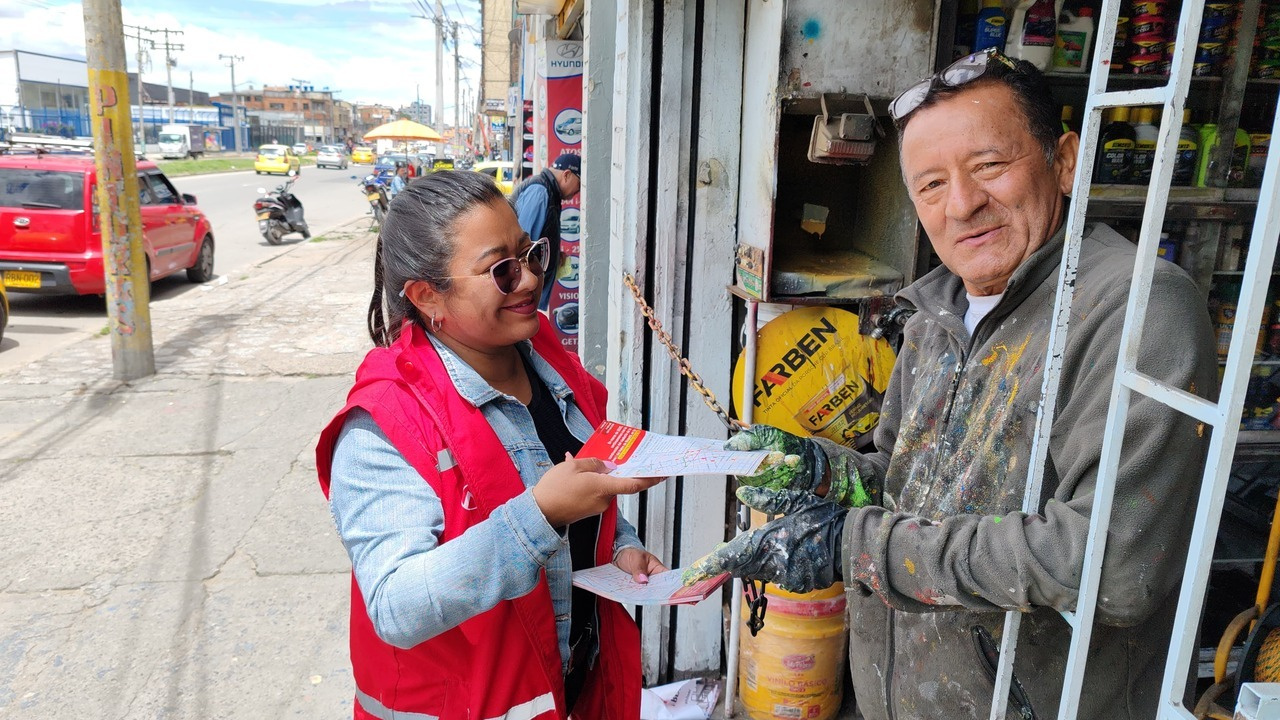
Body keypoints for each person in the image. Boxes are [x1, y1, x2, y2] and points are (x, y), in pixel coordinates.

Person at [685, 50, 1217, 720]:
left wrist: (856, 546)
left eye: (989, 165)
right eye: (932, 185)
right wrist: (828, 473)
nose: (962, 204)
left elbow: (1114, 566)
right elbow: (905, 482)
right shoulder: (936, 312)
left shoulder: (1136, 306)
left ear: (1065, 160)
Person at [316, 171, 666, 719]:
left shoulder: (548, 357)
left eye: (530, 253)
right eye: (501, 269)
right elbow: (395, 604)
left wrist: (619, 546)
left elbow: (583, 483)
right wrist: (540, 515)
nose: (528, 279)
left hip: (572, 684)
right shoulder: (383, 424)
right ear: (427, 295)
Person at [512, 152, 581, 310]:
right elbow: (522, 246)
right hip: (525, 293)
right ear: (567, 175)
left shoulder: (548, 192)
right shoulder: (540, 192)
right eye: (579, 184)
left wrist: (554, 254)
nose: (578, 191)